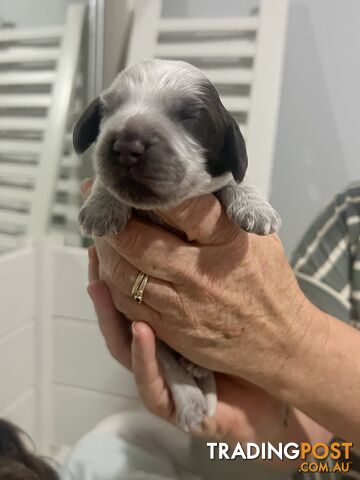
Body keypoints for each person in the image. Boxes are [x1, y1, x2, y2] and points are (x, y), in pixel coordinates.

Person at [84, 180, 360, 477]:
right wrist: (257, 420)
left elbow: (292, 335)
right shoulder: (350, 211)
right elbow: (315, 443)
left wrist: (287, 342)